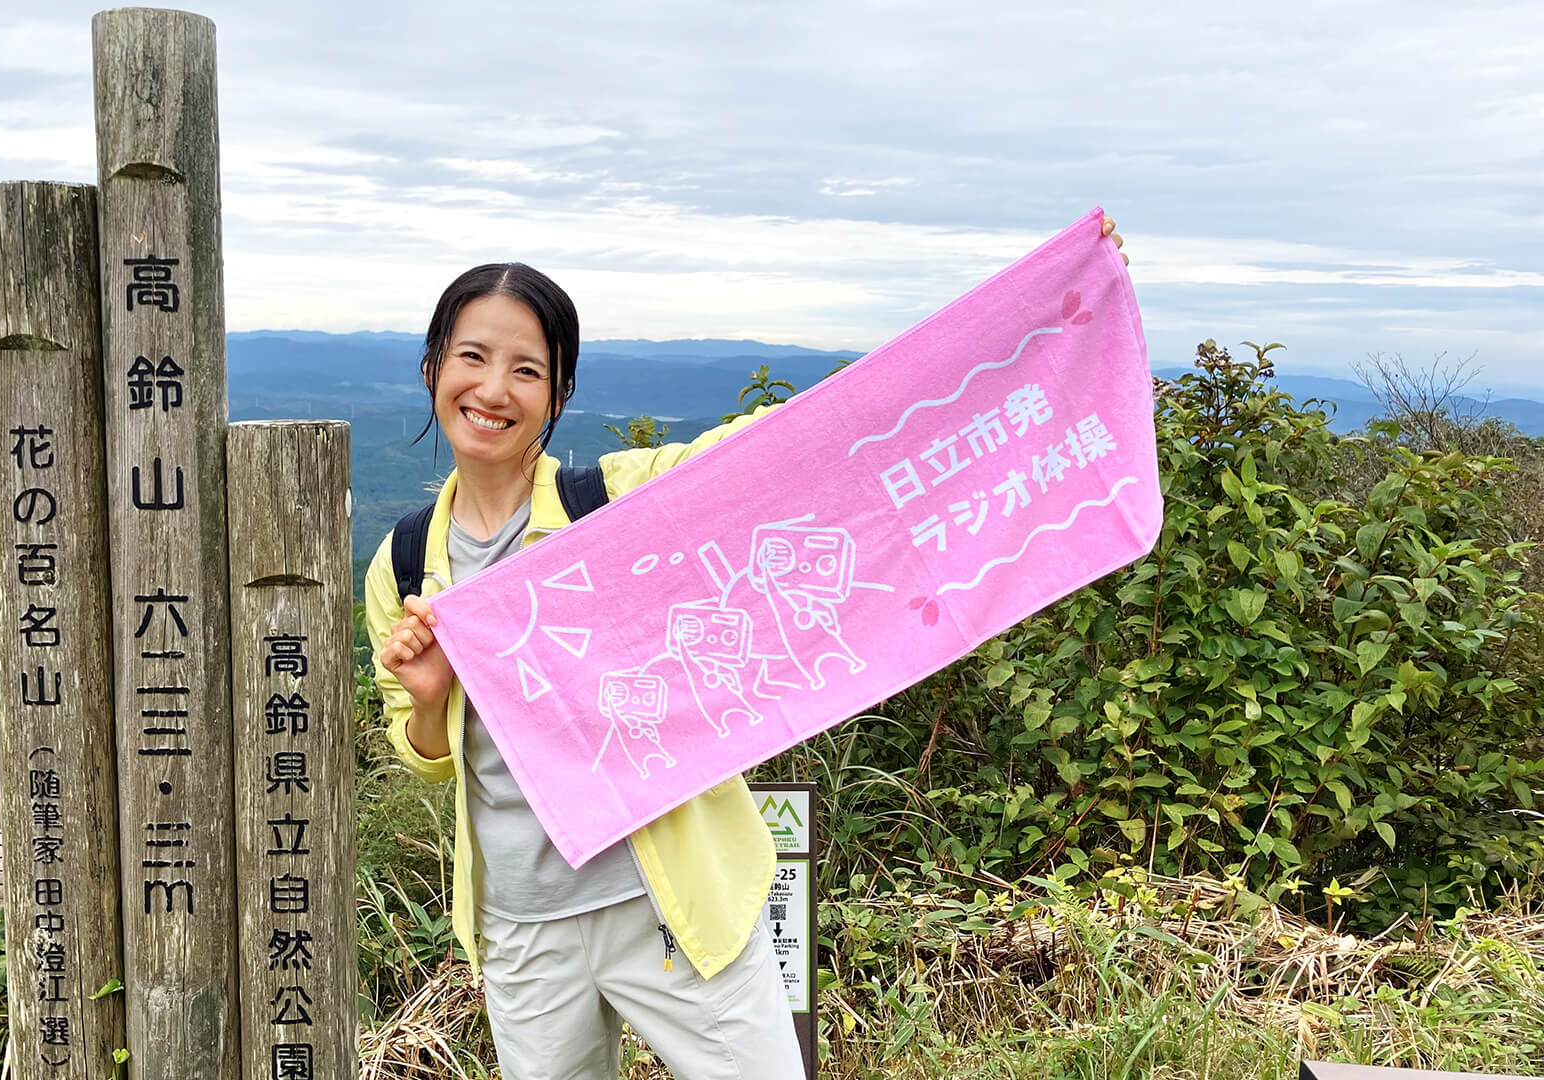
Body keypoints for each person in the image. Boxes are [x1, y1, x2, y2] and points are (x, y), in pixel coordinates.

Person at [366, 222, 1126, 1080]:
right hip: (523, 927)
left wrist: (1045, 307)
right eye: (471, 357)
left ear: (560, 391)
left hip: (667, 900)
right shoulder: (403, 563)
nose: (493, 389)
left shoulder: (609, 504)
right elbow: (428, 760)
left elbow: (768, 455)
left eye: (528, 369)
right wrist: (430, 696)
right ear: (433, 366)